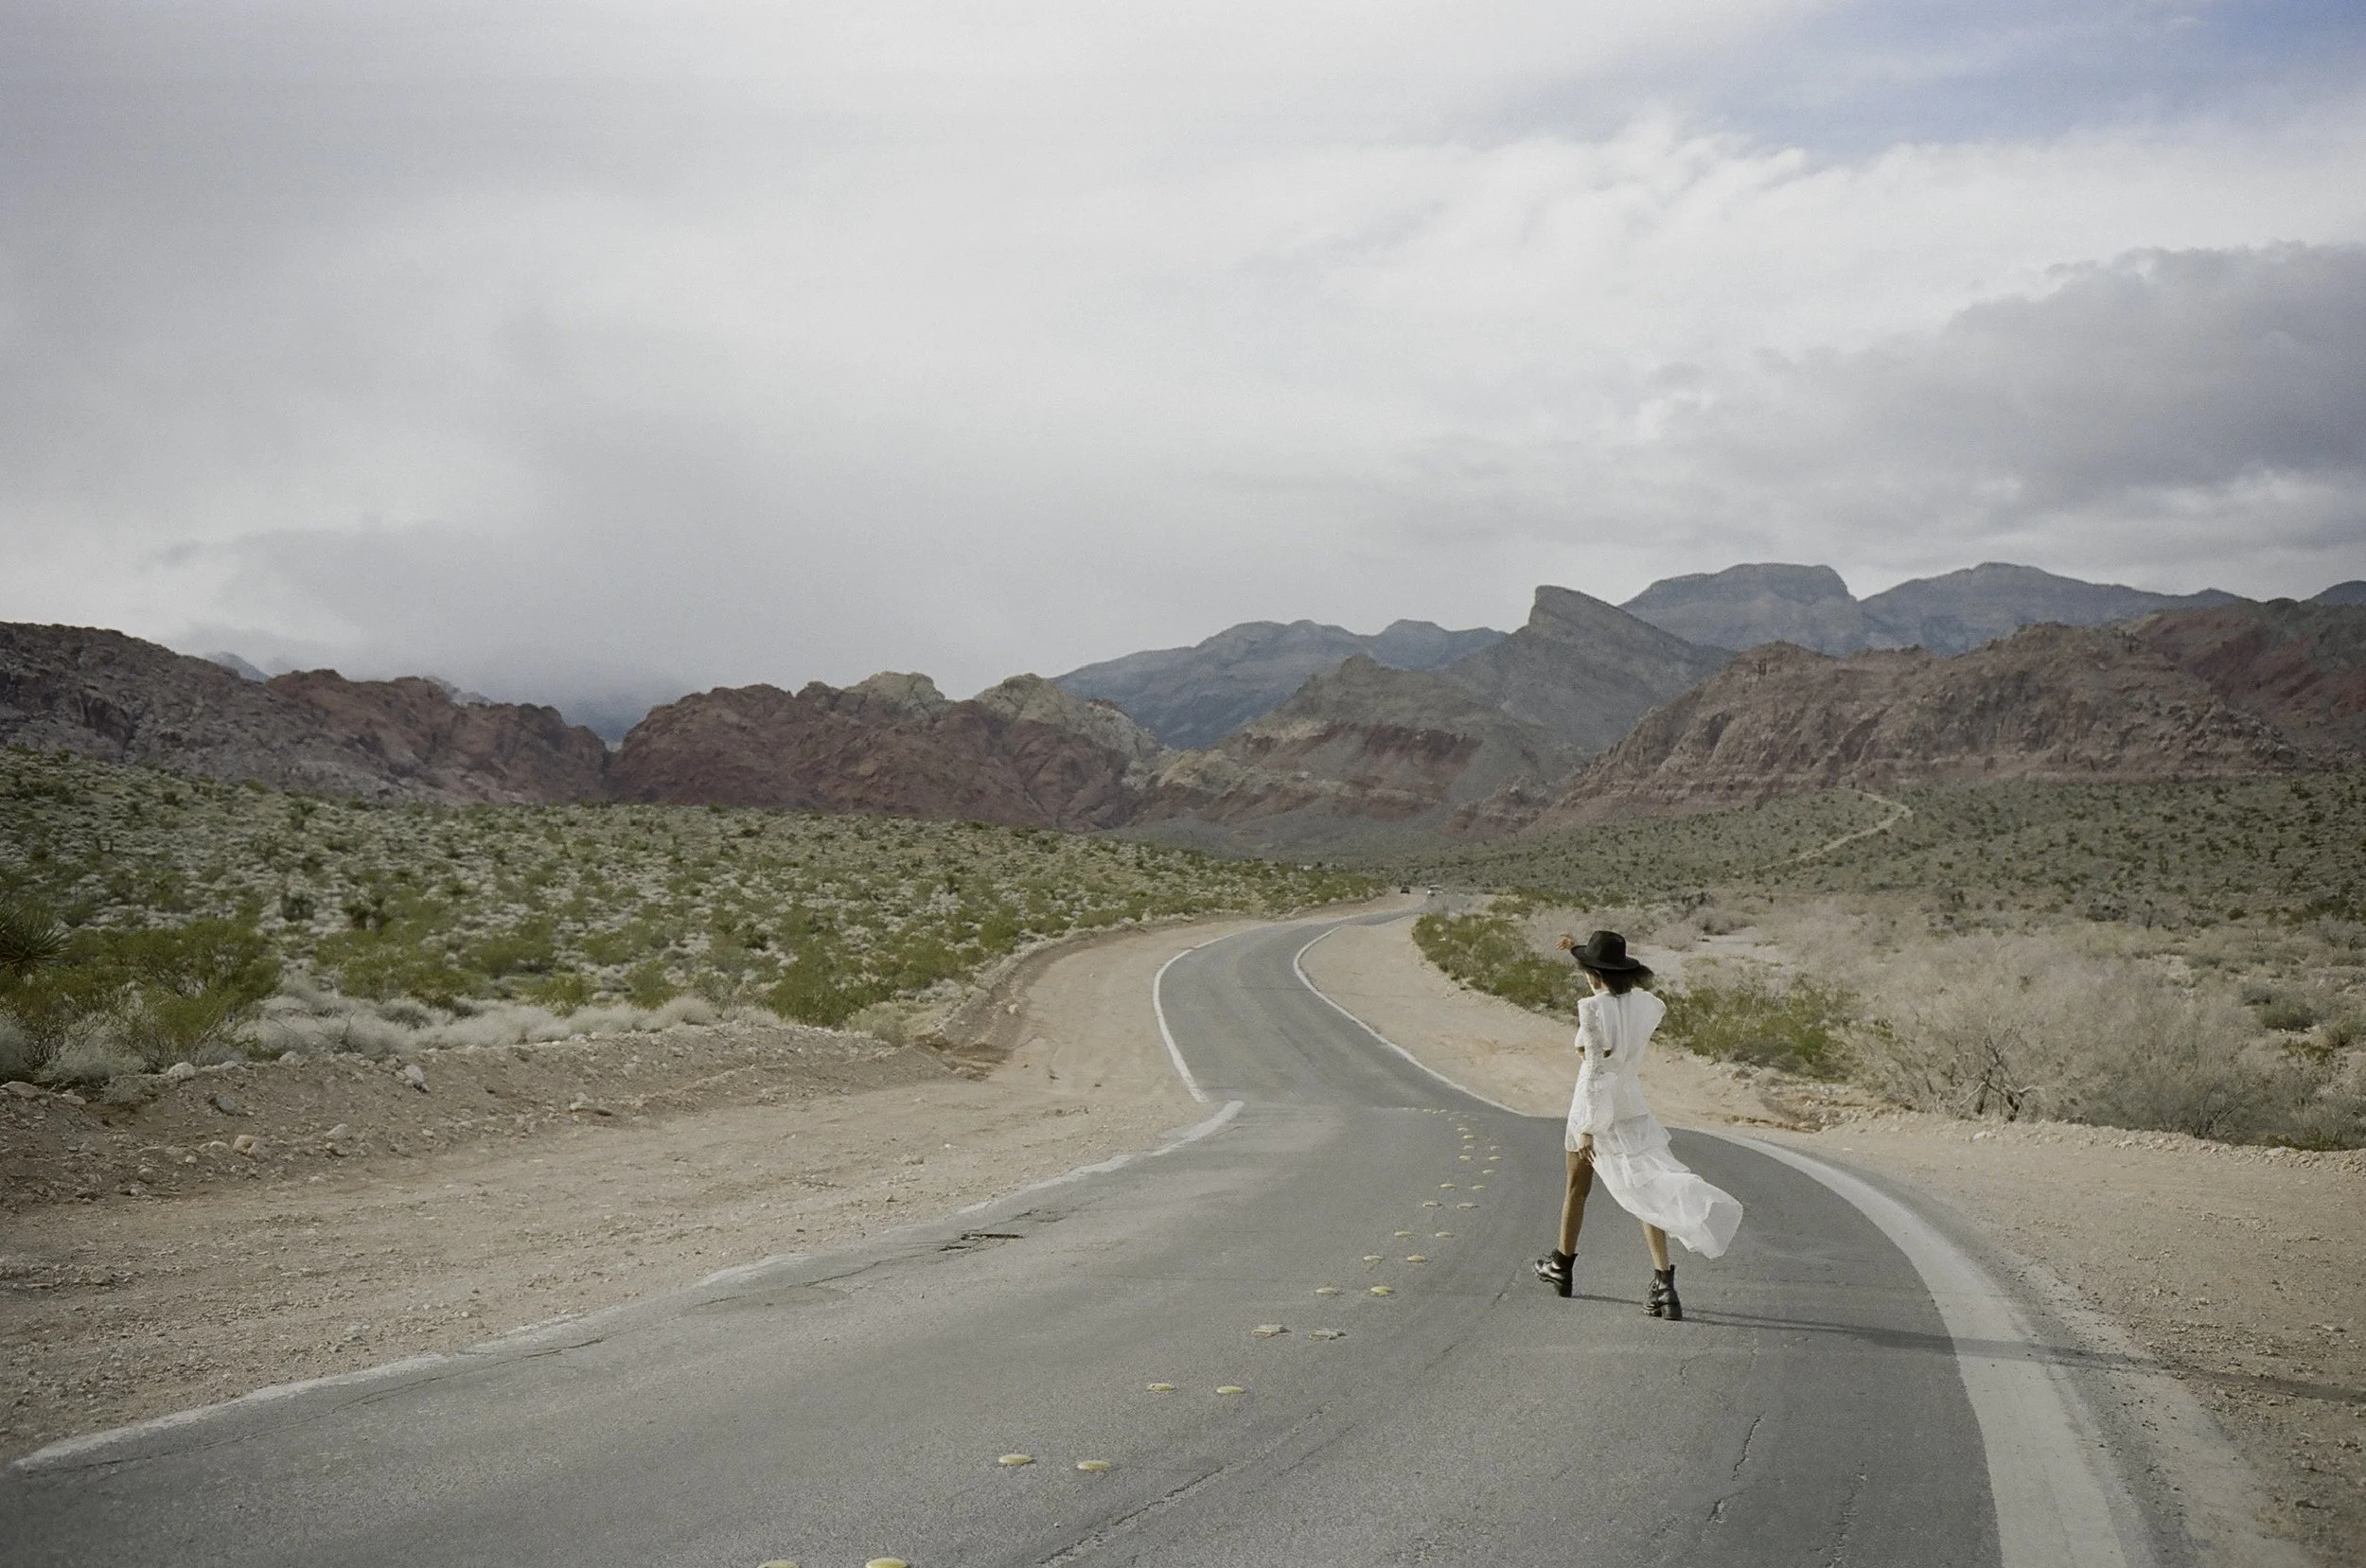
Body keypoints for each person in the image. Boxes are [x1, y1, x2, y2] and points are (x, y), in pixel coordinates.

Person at [1533, 930, 1743, 1319]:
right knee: (1645, 1189)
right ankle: (1664, 1283)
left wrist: (1587, 1128)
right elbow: (1609, 997)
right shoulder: (1646, 1004)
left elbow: (1594, 1068)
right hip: (1631, 1104)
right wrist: (1579, 954)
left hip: (1594, 1106)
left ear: (1594, 975)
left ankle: (1562, 1267)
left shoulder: (1592, 1011)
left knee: (1577, 1190)